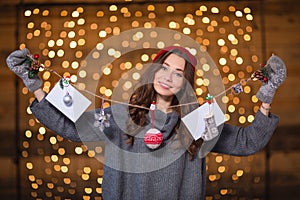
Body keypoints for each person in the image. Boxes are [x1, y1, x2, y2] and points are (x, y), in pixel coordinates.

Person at [6, 46, 286, 200]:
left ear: (185, 82)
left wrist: (266, 98)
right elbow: (72, 127)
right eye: (164, 68)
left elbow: (247, 143)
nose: (168, 77)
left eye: (178, 73)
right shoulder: (119, 115)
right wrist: (37, 88)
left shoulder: (197, 123)